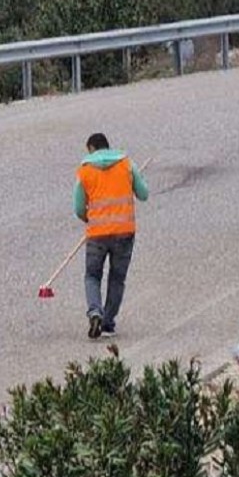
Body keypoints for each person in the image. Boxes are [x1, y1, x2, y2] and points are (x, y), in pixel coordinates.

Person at [73, 133, 149, 339]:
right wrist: (134, 181)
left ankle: (95, 311)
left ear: (91, 149)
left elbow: (79, 207)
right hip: (124, 233)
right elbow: (144, 194)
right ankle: (107, 322)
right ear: (108, 146)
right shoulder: (126, 164)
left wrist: (88, 218)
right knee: (117, 278)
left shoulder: (85, 170)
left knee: (92, 276)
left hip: (97, 234)